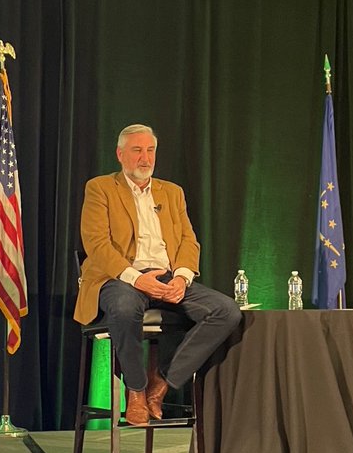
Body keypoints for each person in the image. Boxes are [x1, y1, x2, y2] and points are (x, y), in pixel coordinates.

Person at [74, 124, 241, 426]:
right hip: (120, 279)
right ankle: (135, 390)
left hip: (167, 278)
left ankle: (161, 383)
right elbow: (96, 244)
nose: (145, 158)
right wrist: (138, 279)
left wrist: (181, 278)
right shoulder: (100, 188)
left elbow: (189, 241)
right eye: (137, 150)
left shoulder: (172, 192)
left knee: (226, 311)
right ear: (120, 154)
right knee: (125, 307)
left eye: (150, 150)